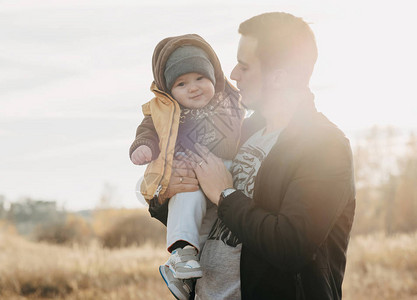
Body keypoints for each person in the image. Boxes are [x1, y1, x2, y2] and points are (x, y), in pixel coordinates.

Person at [148, 12, 356, 300]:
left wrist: (226, 194)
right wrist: (163, 194)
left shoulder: (324, 146)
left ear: (279, 76)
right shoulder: (239, 132)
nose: (232, 74)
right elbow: (196, 210)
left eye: (244, 66)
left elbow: (290, 246)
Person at [129, 34, 244, 298]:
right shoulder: (168, 114)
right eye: (182, 83)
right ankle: (182, 258)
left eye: (200, 78)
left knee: (211, 237)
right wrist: (143, 148)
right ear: (169, 91)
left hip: (227, 177)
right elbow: (147, 131)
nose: (193, 87)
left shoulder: (233, 103)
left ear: (214, 76)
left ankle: (187, 274)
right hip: (189, 176)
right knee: (188, 207)